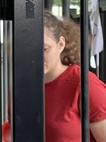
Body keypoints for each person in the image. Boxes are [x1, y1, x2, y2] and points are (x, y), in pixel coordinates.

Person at [44, 12, 106, 141]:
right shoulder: (22, 86)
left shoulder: (84, 84)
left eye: (44, 49)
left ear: (61, 44)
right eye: (30, 48)